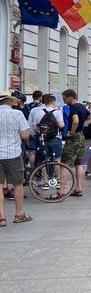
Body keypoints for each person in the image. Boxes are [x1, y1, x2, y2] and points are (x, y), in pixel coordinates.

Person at [0, 91, 32, 226]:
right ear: (10, 102)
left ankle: (1, 217)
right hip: (13, 153)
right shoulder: (17, 114)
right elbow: (25, 135)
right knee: (18, 184)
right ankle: (19, 214)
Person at [32, 94, 66, 196]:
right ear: (54, 102)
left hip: (43, 139)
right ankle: (58, 181)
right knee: (57, 160)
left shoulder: (38, 113)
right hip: (55, 138)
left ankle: (45, 182)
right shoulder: (58, 112)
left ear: (44, 102)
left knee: (44, 160)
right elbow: (61, 125)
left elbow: (34, 128)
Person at [61, 89, 89, 197]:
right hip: (81, 136)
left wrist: (72, 132)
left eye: (65, 99)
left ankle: (61, 190)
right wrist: (83, 125)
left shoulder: (73, 108)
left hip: (74, 137)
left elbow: (75, 121)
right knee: (79, 163)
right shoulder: (82, 106)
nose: (64, 101)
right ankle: (78, 188)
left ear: (70, 98)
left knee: (65, 164)